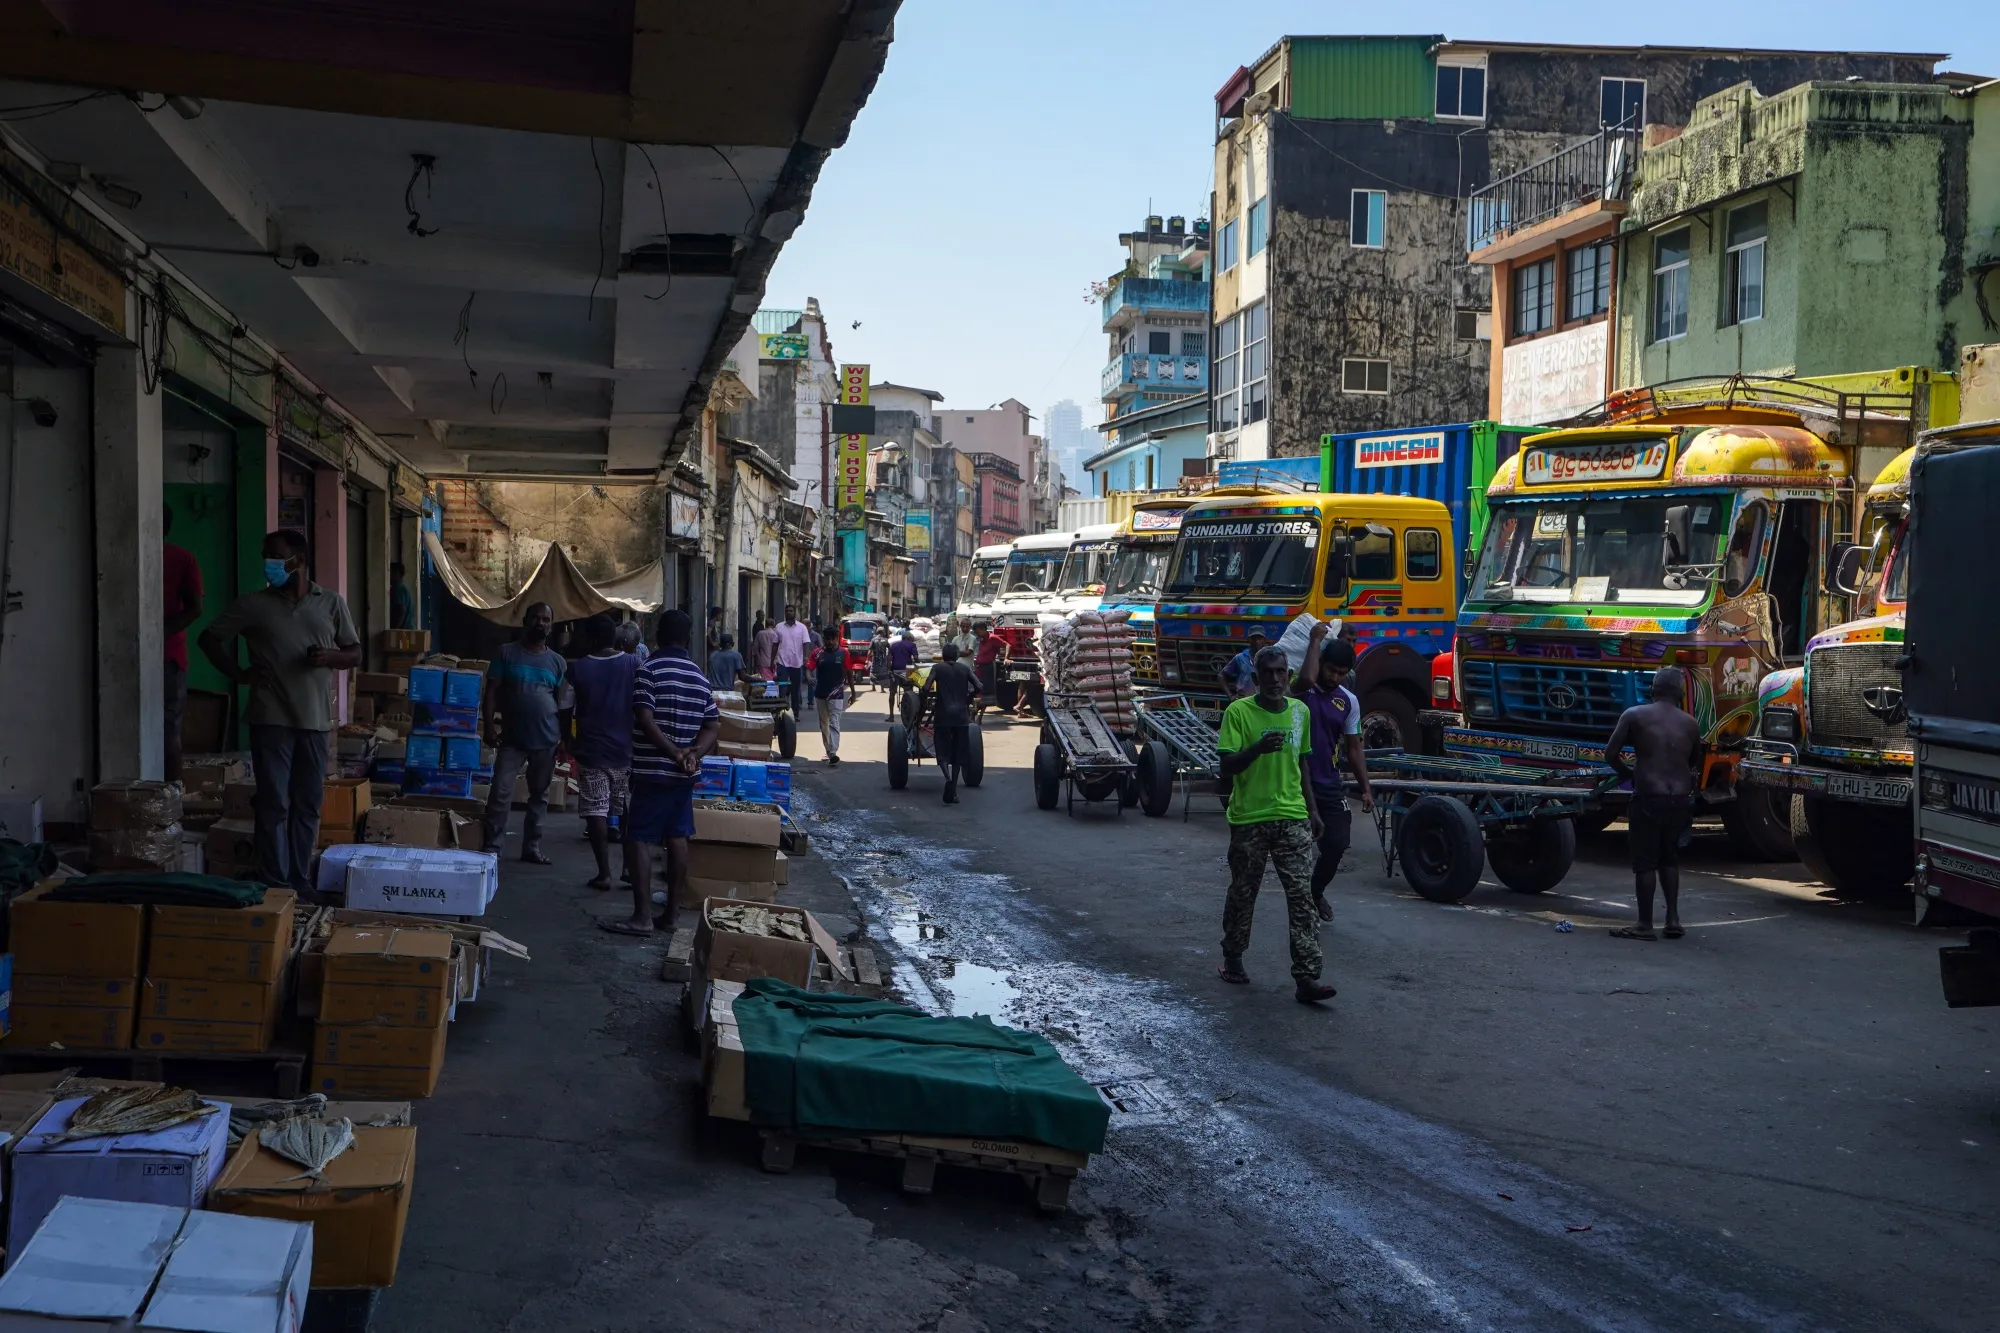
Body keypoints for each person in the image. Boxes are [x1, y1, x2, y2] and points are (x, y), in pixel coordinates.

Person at [198, 530, 362, 895]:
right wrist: (240, 674)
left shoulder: (331, 603)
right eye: (266, 555)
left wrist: (330, 657)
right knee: (274, 803)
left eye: (276, 556)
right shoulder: (253, 604)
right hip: (270, 718)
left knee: (308, 804)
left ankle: (299, 878)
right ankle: (274, 879)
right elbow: (208, 639)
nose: (268, 563)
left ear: (299, 561)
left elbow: (354, 653)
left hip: (315, 720)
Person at [1216, 645, 1336, 1004]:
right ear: (1255, 678)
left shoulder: (1299, 711)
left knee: (1301, 897)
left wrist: (1313, 811)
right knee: (1243, 893)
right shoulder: (1238, 712)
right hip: (1250, 818)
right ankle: (1233, 956)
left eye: (1280, 672)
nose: (1274, 679)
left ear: (1289, 675)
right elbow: (1227, 767)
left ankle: (1307, 978)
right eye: (1266, 673)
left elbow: (1302, 766)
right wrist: (1257, 749)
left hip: (1292, 816)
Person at [602, 610, 718, 936]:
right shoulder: (699, 675)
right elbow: (713, 726)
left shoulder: (648, 670)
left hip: (653, 770)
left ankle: (641, 917)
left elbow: (644, 717)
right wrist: (693, 752)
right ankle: (671, 916)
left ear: (656, 636)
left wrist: (674, 752)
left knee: (638, 837)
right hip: (685, 774)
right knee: (677, 838)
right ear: (688, 638)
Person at [1604, 666, 1702, 941]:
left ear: (1652, 690)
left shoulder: (1634, 715)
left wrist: (1629, 774)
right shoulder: (1690, 723)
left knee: (1645, 863)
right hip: (1680, 799)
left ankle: (1645, 925)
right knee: (1669, 859)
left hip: (1648, 798)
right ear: (1680, 694)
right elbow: (1693, 761)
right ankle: (1673, 920)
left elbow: (1610, 754)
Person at [1292, 625, 1374, 923]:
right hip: (1295, 782)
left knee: (1337, 842)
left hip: (1329, 782)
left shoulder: (1348, 701)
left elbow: (1354, 748)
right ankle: (1300, 906)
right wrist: (1315, 641)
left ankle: (1315, 891)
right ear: (1321, 663)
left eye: (1341, 673)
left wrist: (1366, 788)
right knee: (1297, 849)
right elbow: (1307, 678)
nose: (1334, 677)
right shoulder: (1300, 690)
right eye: (1331, 670)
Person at [480, 602, 568, 864]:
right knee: (500, 792)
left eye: (546, 619)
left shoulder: (557, 663)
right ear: (525, 621)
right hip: (512, 739)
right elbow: (491, 693)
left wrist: (564, 738)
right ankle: (493, 848)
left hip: (546, 740)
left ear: (551, 626)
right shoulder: (506, 653)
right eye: (536, 618)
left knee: (539, 796)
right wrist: (488, 726)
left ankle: (532, 847)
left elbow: (562, 704)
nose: (540, 623)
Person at [565, 614, 638, 891]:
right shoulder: (634, 664)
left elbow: (564, 706)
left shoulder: (578, 669)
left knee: (596, 810)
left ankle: (604, 873)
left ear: (591, 639)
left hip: (592, 749)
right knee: (628, 810)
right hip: (627, 749)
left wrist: (566, 738)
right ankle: (630, 868)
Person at [161, 504, 203, 782]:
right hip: (169, 657)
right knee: (168, 731)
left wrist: (156, 635)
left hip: (167, 658)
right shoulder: (182, 558)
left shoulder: (180, 559)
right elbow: (195, 608)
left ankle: (170, 800)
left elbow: (193, 608)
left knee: (167, 735)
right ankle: (171, 801)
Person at [921, 641, 982, 804]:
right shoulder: (964, 669)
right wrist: (968, 698)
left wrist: (924, 694)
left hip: (943, 716)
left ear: (943, 656)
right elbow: (979, 686)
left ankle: (947, 778)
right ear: (957, 656)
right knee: (958, 755)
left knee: (942, 751)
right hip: (961, 717)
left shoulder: (937, 668)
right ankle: (953, 789)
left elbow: (926, 687)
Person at [810, 625, 847, 766]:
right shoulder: (817, 653)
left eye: (832, 639)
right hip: (821, 693)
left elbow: (848, 672)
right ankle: (828, 749)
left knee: (834, 722)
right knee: (824, 724)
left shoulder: (843, 653)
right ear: (824, 639)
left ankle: (833, 752)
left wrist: (854, 693)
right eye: (827, 639)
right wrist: (808, 677)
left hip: (837, 694)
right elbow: (810, 668)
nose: (830, 642)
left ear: (836, 639)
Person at [772, 604, 814, 714]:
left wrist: (806, 657)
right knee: (782, 688)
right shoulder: (779, 627)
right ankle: (781, 712)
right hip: (782, 662)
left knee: (795, 689)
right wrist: (772, 660)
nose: (788, 612)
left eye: (791, 611)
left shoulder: (802, 627)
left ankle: (795, 713)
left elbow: (806, 643)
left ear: (795, 613)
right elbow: (775, 645)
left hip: (797, 663)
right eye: (787, 611)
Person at [972, 622, 1007, 719]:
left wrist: (1005, 658)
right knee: (978, 693)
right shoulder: (982, 640)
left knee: (984, 695)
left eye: (978, 632)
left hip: (987, 668)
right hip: (979, 668)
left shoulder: (993, 638)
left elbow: (1007, 645)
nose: (977, 634)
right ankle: (976, 716)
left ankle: (978, 716)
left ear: (984, 629)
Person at [1221, 630, 1270, 699]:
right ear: (1249, 640)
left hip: (1264, 701)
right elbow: (1221, 676)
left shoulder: (1270, 658)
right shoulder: (1240, 658)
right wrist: (1230, 696)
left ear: (1264, 640)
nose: (1256, 642)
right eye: (1253, 639)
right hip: (1243, 701)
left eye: (1259, 638)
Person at [887, 629, 920, 714]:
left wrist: (889, 670)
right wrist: (919, 667)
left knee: (892, 693)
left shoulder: (893, 645)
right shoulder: (912, 645)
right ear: (909, 638)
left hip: (895, 671)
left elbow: (889, 659)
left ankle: (891, 715)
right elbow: (916, 658)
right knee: (909, 691)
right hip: (906, 671)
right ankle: (909, 713)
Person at [389, 561, 415, 630]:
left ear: (397, 573)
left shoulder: (397, 589)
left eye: (390, 572)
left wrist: (394, 629)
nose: (388, 575)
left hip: (403, 632)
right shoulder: (404, 589)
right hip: (408, 630)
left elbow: (401, 610)